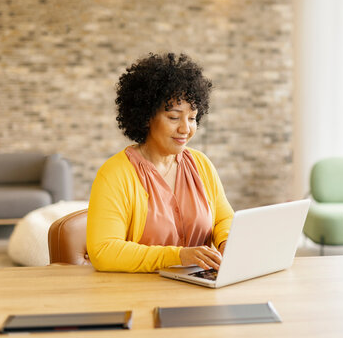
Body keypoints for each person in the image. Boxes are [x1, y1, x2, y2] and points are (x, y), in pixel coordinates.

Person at [87, 53, 234, 273]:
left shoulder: (201, 165)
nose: (186, 129)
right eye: (174, 117)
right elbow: (103, 251)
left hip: (200, 289)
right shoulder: (115, 174)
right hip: (141, 293)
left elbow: (224, 219)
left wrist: (226, 243)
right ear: (146, 117)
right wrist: (178, 256)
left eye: (192, 118)